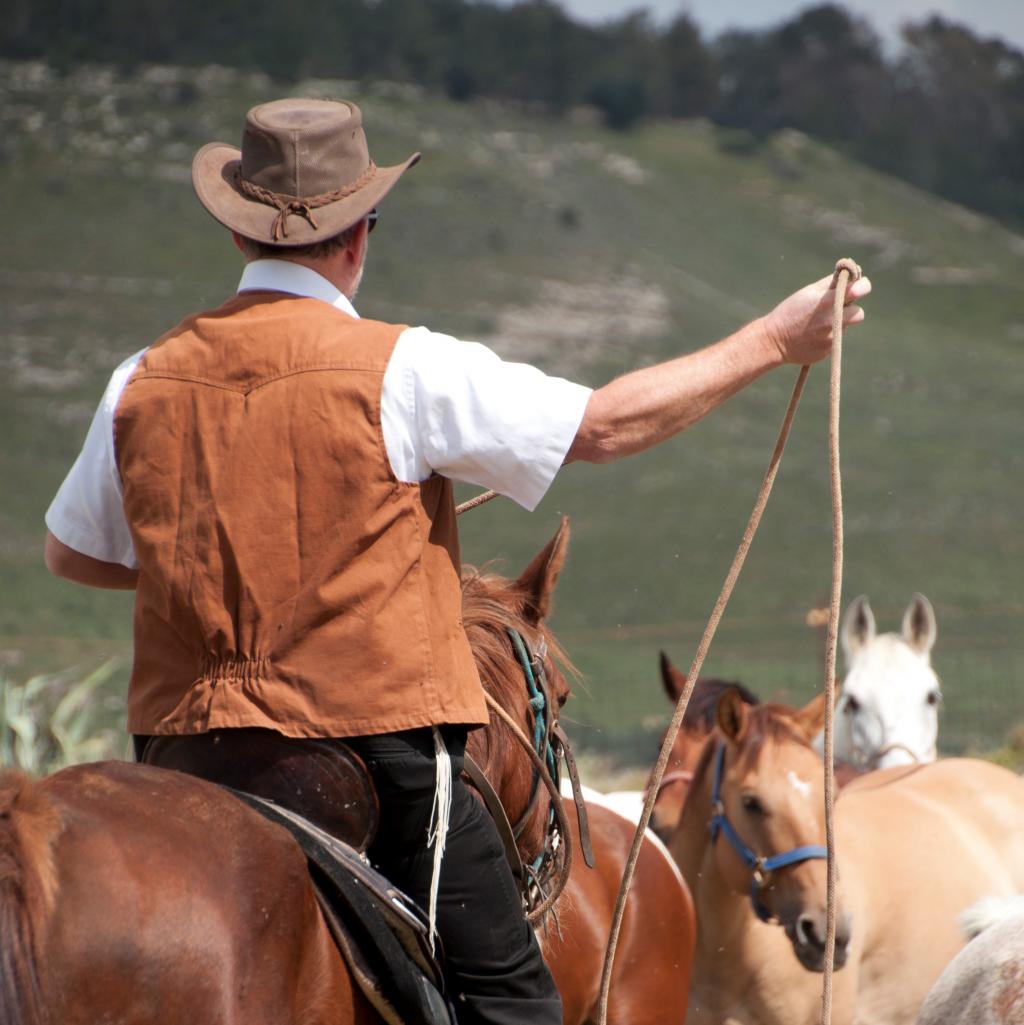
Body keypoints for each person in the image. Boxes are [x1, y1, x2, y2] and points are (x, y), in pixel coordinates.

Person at [44, 97, 871, 1025]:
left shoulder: (139, 378)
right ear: (360, 233)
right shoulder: (404, 368)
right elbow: (602, 426)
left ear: (241, 235)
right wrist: (773, 339)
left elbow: (74, 552)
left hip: (179, 758)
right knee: (519, 1006)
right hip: (371, 760)